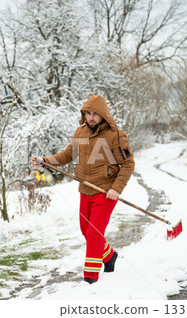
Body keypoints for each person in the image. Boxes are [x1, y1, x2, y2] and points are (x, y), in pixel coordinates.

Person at [30, 95, 135, 284]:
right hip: (85, 189)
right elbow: (67, 155)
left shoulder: (116, 135)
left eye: (95, 113)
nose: (92, 117)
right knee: (86, 231)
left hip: (105, 192)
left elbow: (128, 164)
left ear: (103, 115)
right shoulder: (81, 132)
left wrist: (116, 189)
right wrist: (45, 161)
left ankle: (90, 279)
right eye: (88, 113)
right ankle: (109, 256)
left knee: (94, 233)